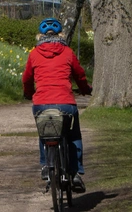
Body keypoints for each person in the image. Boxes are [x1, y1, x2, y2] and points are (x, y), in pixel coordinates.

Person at [22, 17, 92, 193]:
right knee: (73, 135)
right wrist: (85, 89)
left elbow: (27, 78)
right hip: (66, 103)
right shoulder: (67, 52)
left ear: (40, 36)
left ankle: (46, 165)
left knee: (44, 133)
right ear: (61, 35)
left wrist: (29, 93)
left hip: (41, 103)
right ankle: (75, 173)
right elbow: (79, 74)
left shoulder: (34, 54)